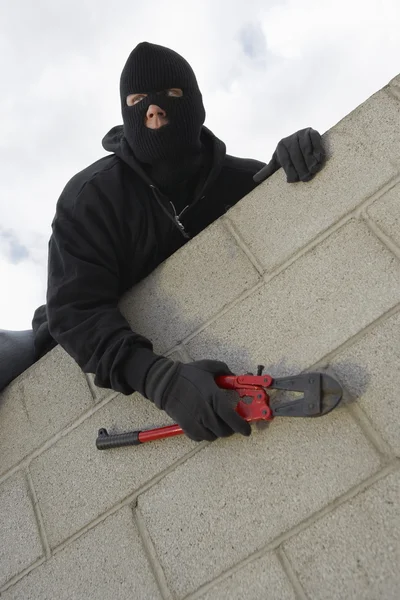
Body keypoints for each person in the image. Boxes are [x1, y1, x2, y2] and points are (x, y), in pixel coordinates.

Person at [0, 42, 325, 441]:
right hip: (52, 338)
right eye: (137, 100)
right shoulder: (93, 197)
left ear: (195, 104)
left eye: (169, 95)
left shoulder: (242, 180)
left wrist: (301, 161)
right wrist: (160, 380)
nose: (152, 109)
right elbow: (75, 310)